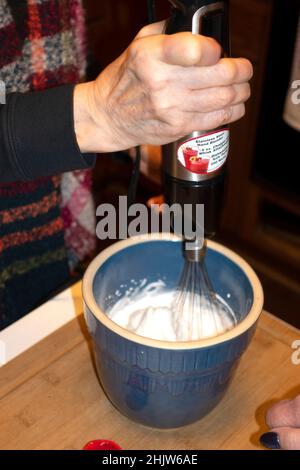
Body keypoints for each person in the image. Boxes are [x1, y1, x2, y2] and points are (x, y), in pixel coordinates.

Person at [0, 0, 252, 328]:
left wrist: (140, 133)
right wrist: (97, 114)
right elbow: (86, 106)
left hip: (48, 252)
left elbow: (64, 70)